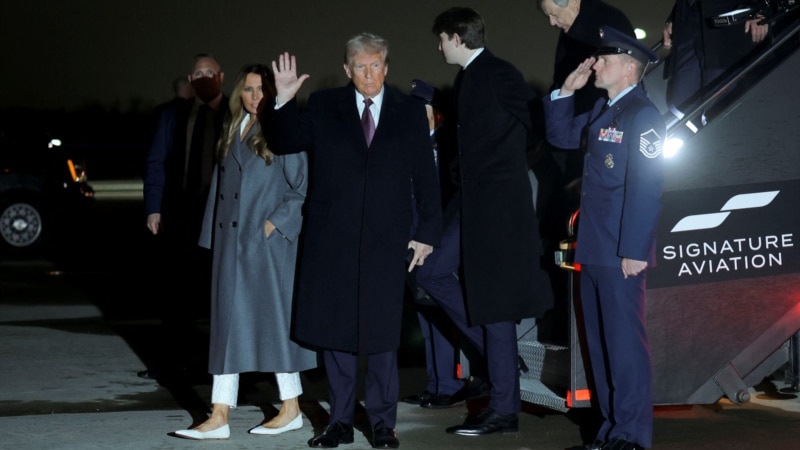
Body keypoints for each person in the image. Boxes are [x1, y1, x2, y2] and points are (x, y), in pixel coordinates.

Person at [262, 33, 443, 449]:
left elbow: (426, 180)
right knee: (338, 334)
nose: (369, 74)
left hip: (387, 240)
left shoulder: (410, 112)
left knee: (381, 336)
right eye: (360, 66)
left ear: (386, 66)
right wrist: (284, 100)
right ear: (347, 69)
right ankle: (339, 422)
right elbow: (283, 139)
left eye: (376, 64)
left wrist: (426, 233)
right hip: (333, 240)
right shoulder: (326, 106)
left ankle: (383, 424)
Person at [172, 63, 317, 440]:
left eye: (262, 91)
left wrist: (273, 227)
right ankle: (219, 415)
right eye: (249, 90)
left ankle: (292, 408)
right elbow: (219, 190)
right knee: (225, 330)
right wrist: (212, 239)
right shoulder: (232, 129)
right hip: (231, 247)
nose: (255, 97)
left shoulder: (281, 130)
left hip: (267, 248)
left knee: (274, 328)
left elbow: (301, 190)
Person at [430, 7, 554, 437]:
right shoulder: (467, 78)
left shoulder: (499, 73)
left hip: (497, 208)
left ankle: (504, 408)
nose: (438, 46)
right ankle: (500, 362)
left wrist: (508, 176)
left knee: (496, 307)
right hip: (471, 202)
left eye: (441, 39)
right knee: (432, 271)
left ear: (456, 37)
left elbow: (537, 125)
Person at [542, 27, 665, 450]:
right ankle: (610, 431)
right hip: (594, 247)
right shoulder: (604, 109)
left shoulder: (643, 116)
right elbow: (560, 137)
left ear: (629, 68)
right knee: (598, 345)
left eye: (604, 60)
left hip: (619, 252)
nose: (595, 64)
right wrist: (564, 91)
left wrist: (633, 249)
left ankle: (631, 435)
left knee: (624, 346)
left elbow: (646, 187)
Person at [140, 53, 228, 381]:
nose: (204, 77)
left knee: (217, 292)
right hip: (179, 215)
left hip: (221, 216)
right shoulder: (172, 115)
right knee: (176, 290)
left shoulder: (236, 112)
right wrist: (154, 207)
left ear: (220, 76)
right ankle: (177, 360)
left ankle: (218, 364)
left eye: (210, 72)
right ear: (190, 80)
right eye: (198, 73)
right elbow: (156, 161)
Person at [402, 79, 476, 410]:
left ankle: (449, 383)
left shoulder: (444, 150)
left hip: (435, 242)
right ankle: (436, 383)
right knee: (425, 316)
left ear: (437, 116)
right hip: (411, 240)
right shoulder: (412, 150)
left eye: (422, 111)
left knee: (442, 313)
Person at [537, 0, 635, 200]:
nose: (551, 22)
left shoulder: (607, 23)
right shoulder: (573, 31)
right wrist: (566, 90)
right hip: (577, 132)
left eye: (554, 14)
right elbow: (561, 137)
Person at [663, 0, 770, 117]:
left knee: (718, 108)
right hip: (691, 21)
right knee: (681, 103)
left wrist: (761, 9)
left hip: (727, 29)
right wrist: (673, 18)